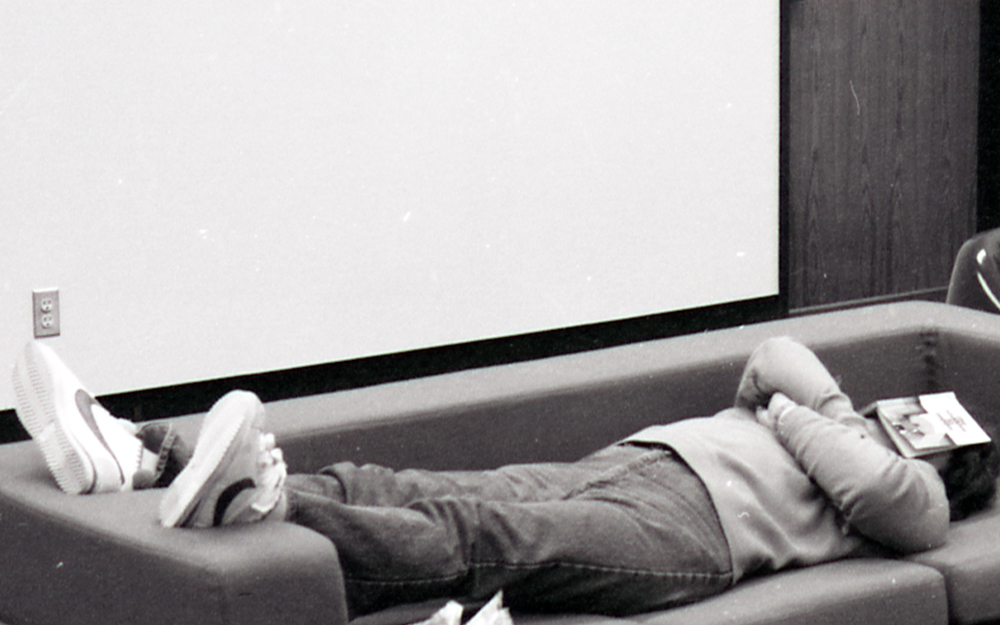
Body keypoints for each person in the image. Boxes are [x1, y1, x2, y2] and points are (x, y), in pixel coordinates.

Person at [11, 337, 1000, 617]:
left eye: (925, 432)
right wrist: (826, 416)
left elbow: (895, 502)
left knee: (477, 541)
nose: (900, 421)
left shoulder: (908, 494)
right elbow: (777, 351)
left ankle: (271, 515)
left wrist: (801, 416)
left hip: (697, 539)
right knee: (408, 484)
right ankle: (142, 457)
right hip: (635, 466)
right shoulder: (839, 429)